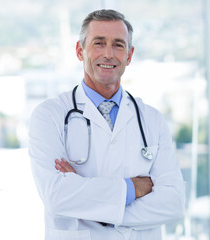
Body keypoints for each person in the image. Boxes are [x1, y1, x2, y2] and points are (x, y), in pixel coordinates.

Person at [29, 9, 185, 240]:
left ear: (129, 55)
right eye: (98, 43)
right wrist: (134, 188)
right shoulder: (49, 116)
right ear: (80, 51)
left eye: (118, 45)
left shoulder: (151, 119)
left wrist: (93, 205)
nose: (109, 54)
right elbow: (57, 197)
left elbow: (174, 203)